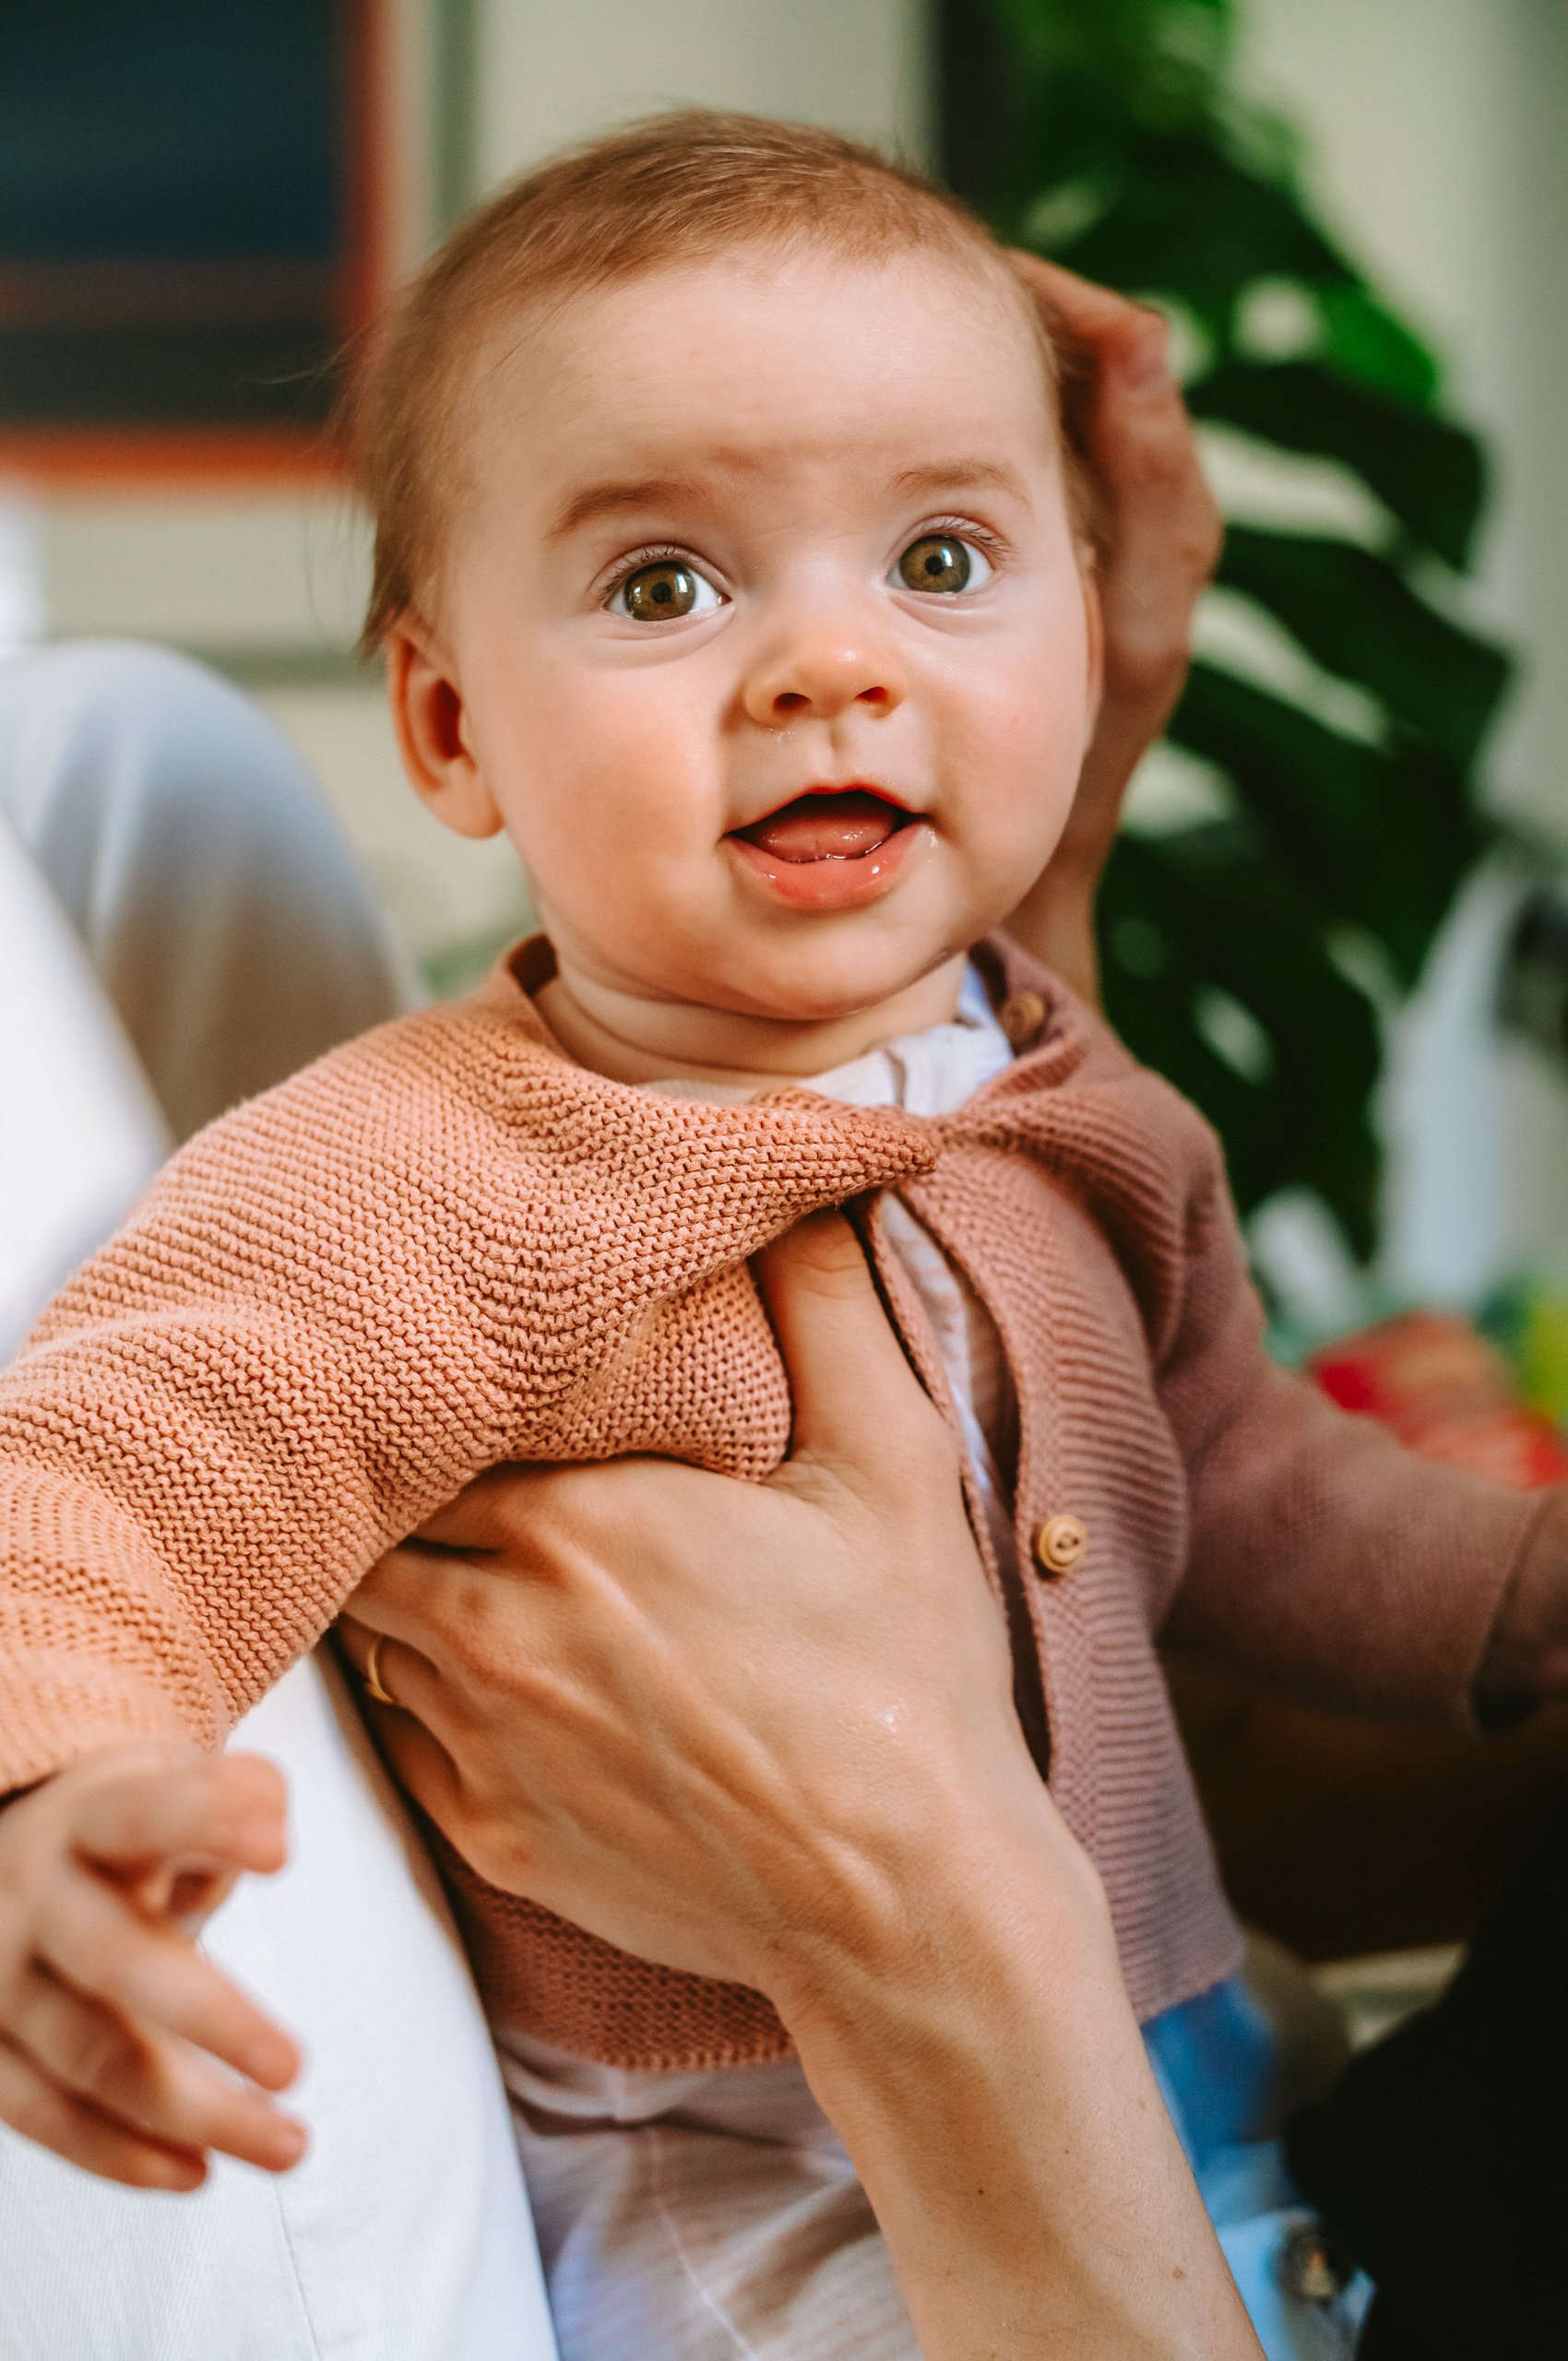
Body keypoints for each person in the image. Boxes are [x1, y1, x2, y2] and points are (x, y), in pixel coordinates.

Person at [2, 111, 1563, 2358]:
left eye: (939, 558)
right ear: (449, 721)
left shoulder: (1073, 1099)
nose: (829, 663)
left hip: (1178, 2035)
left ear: (1086, 621)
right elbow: (104, 1476)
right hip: (743, 2172)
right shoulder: (434, 1166)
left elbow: (1227, 1463)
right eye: (666, 587)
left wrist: (1510, 1592)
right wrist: (52, 1792)